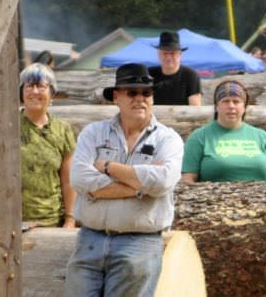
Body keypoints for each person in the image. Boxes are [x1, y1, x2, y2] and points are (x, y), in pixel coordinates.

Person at [66, 63, 183, 297]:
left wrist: (109, 167)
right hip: (90, 238)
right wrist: (140, 187)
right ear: (116, 97)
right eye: (132, 92)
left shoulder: (168, 139)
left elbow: (162, 181)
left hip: (139, 243)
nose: (140, 98)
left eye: (146, 93)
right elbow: (80, 179)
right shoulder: (92, 133)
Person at [181, 80, 266, 183]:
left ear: (244, 107)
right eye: (225, 101)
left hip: (264, 199)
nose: (231, 106)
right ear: (217, 106)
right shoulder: (199, 136)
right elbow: (187, 179)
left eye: (236, 101)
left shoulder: (262, 136)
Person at [19, 63, 77, 228]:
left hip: (51, 222)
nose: (35, 92)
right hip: (11, 221)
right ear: (21, 92)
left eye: (41, 86)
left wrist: (70, 219)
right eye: (29, 86)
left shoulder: (62, 130)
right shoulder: (7, 125)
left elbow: (68, 181)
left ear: (52, 94)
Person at [149, 31, 201, 106]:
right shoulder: (149, 74)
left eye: (172, 53)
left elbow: (195, 108)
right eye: (165, 53)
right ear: (158, 54)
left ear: (180, 54)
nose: (168, 57)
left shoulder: (190, 75)